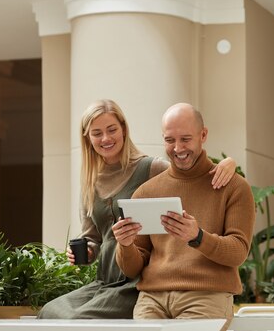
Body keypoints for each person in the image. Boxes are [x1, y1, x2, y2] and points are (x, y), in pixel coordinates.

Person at [38, 99, 236, 319]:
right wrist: (87, 251)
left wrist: (228, 163)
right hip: (104, 281)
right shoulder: (90, 181)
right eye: (97, 133)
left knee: (78, 320)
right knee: (49, 312)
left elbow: (188, 170)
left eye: (112, 129)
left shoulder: (150, 168)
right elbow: (93, 237)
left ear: (123, 129)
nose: (106, 138)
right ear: (87, 137)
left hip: (136, 282)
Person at [113, 103, 255, 331]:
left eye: (186, 139)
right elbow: (132, 269)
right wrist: (126, 245)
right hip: (152, 298)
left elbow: (238, 252)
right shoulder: (145, 192)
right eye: (170, 140)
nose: (178, 148)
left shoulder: (234, 187)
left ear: (203, 135)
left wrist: (197, 237)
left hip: (206, 296)